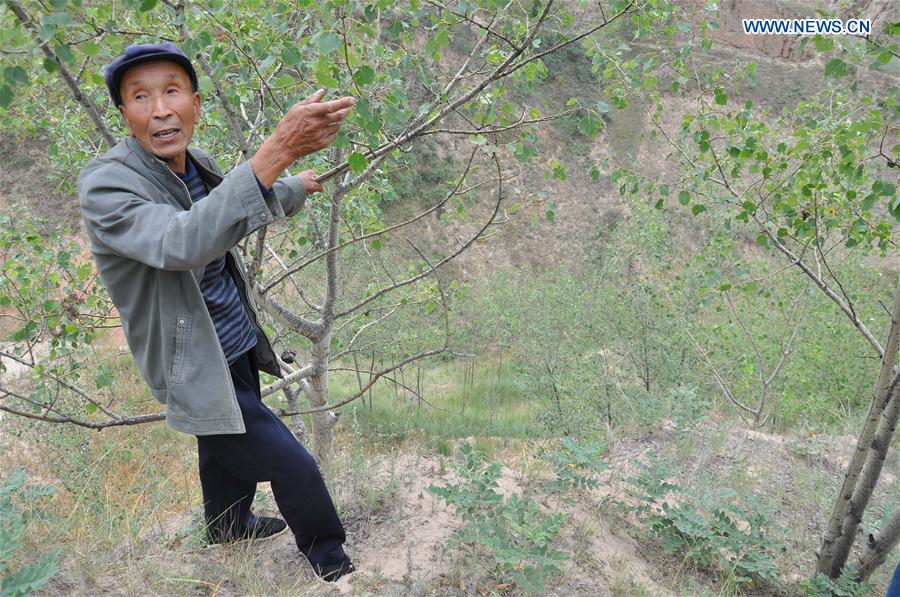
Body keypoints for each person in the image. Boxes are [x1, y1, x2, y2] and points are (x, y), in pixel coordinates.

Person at [77, 42, 357, 581]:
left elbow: (225, 214)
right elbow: (183, 240)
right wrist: (277, 151)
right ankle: (333, 563)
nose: (160, 109)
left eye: (171, 92)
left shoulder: (189, 164)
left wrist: (293, 186)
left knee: (220, 438)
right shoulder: (107, 185)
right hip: (191, 357)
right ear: (123, 114)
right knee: (289, 462)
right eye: (141, 97)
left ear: (196, 104)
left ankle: (228, 526)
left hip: (232, 338)